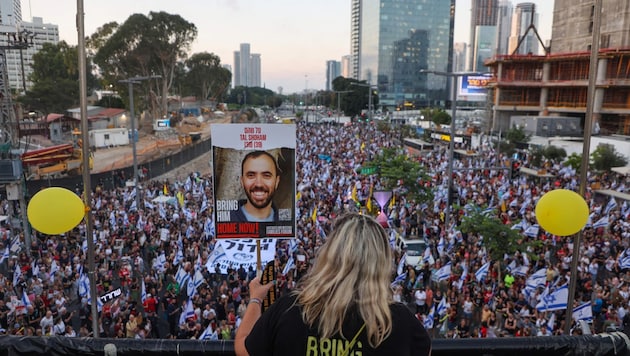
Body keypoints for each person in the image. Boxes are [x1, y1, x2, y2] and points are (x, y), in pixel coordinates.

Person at [235, 213, 431, 356]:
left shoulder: (289, 309)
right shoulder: (400, 322)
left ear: (329, 254)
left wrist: (255, 299)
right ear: (381, 263)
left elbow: (244, 348)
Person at [230, 150, 281, 222]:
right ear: (242, 181)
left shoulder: (286, 221)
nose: (258, 184)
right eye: (251, 175)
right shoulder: (227, 219)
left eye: (266, 176)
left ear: (277, 181)